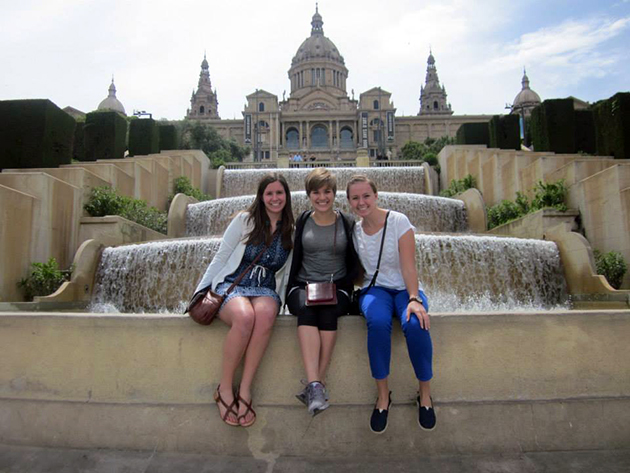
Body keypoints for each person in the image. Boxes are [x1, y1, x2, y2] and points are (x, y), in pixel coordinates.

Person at [193, 173, 294, 427]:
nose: (274, 198)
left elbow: (289, 271)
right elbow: (221, 255)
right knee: (245, 317)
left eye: (279, 193)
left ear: (286, 197)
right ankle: (225, 389)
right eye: (269, 193)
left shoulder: (290, 230)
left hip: (265, 288)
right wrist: (201, 290)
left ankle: (246, 389)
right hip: (233, 283)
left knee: (266, 316)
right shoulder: (244, 221)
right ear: (261, 197)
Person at [346, 175, 436, 434]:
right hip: (375, 290)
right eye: (355, 198)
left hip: (405, 289)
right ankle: (383, 396)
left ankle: (425, 395)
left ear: (375, 196)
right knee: (377, 322)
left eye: (366, 196)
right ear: (350, 202)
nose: (361, 202)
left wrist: (414, 299)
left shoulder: (398, 221)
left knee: (416, 323)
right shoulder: (354, 231)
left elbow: (409, 266)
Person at [286, 168, 360, 416]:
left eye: (327, 191)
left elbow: (359, 259)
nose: (322, 197)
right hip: (302, 286)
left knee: (328, 310)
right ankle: (317, 385)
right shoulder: (303, 220)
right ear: (309, 195)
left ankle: (315, 385)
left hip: (337, 287)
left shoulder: (347, 222)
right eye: (316, 192)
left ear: (334, 193)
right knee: (308, 308)